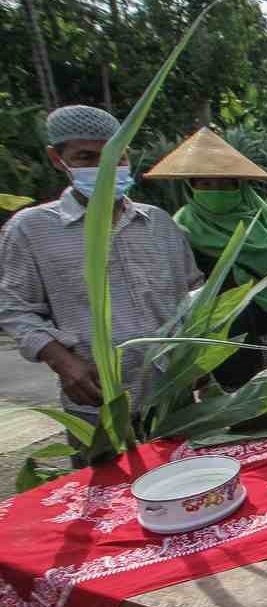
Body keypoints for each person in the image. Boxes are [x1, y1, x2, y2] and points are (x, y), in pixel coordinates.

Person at [0, 105, 203, 432]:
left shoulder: (159, 224)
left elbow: (194, 293)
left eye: (116, 156)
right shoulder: (31, 230)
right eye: (86, 157)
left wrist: (201, 352)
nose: (105, 167)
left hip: (173, 399)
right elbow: (13, 308)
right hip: (98, 405)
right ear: (57, 159)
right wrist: (64, 362)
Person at [143, 127, 267, 388]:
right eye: (205, 184)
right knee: (239, 400)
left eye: (226, 183)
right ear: (191, 187)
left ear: (240, 185)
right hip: (224, 333)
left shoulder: (265, 218)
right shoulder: (181, 229)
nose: (216, 191)